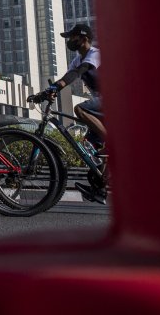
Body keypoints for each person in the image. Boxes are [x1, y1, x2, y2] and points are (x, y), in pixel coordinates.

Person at [39, 22, 106, 203]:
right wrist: (48, 91)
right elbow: (66, 77)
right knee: (91, 148)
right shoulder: (76, 60)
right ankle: (100, 188)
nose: (69, 41)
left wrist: (58, 86)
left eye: (72, 37)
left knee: (80, 109)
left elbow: (79, 72)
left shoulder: (95, 55)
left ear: (84, 39)